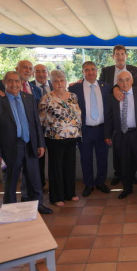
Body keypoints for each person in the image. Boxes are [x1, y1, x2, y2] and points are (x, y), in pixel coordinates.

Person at [0, 71, 52, 214]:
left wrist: (40, 144)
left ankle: (37, 205)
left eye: (17, 81)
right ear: (4, 83)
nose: (14, 84)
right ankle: (10, 210)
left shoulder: (28, 98)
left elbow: (36, 123)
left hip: (30, 145)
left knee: (34, 179)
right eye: (10, 81)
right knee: (10, 181)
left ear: (21, 83)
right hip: (10, 147)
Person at [104, 71, 137, 199]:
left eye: (127, 79)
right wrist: (107, 135)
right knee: (125, 164)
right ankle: (127, 188)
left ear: (132, 81)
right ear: (117, 83)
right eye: (121, 80)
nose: (125, 83)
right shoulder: (112, 97)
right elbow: (109, 118)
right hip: (122, 135)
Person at [98, 44, 137, 187]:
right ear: (113, 56)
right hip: (116, 115)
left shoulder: (134, 70)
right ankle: (118, 175)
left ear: (126, 56)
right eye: (117, 54)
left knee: (133, 151)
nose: (120, 57)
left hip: (131, 115)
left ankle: (131, 176)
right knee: (117, 150)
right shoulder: (106, 71)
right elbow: (100, 87)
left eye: (122, 54)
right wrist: (115, 88)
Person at [39, 70, 82, 206]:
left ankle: (70, 193)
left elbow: (77, 115)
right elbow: (40, 120)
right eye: (56, 81)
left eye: (62, 80)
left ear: (65, 81)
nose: (59, 83)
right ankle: (57, 197)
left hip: (72, 137)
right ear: (52, 82)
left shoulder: (73, 96)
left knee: (69, 166)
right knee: (56, 168)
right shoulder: (47, 98)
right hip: (54, 139)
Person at [68, 61, 111, 197]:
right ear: (83, 72)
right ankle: (88, 184)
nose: (90, 72)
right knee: (85, 159)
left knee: (102, 157)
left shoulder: (106, 87)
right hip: (85, 130)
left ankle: (100, 182)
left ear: (97, 71)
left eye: (93, 69)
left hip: (102, 129)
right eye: (87, 70)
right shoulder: (75, 89)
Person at [31, 64, 53, 188]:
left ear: (48, 73)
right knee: (38, 160)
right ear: (34, 73)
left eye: (43, 71)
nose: (41, 74)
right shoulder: (28, 87)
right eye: (37, 71)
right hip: (36, 130)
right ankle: (39, 185)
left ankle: (54, 184)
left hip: (53, 131)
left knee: (54, 160)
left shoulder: (55, 84)